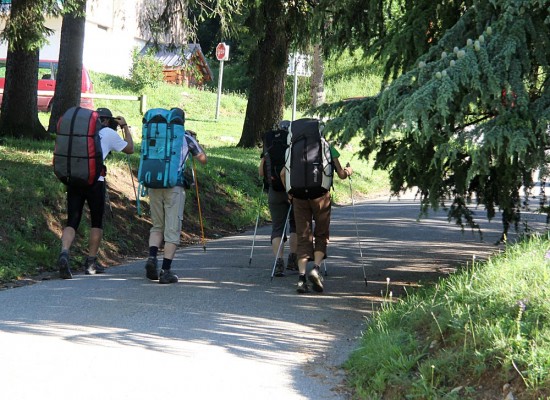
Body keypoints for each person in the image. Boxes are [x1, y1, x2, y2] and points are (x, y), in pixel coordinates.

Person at [58, 107, 134, 279]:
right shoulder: (108, 133)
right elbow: (130, 148)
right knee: (96, 223)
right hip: (95, 183)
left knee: (72, 221)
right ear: (106, 121)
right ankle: (91, 263)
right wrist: (125, 127)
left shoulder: (80, 131)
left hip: (75, 180)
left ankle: (64, 253)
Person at [280, 143, 352, 294]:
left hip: (299, 197)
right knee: (321, 233)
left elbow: (282, 174)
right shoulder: (328, 147)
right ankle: (316, 269)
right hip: (321, 196)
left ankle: (301, 278)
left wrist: (289, 193)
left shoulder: (293, 148)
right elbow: (340, 174)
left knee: (303, 235)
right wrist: (348, 171)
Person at [144, 129, 207, 284]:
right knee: (172, 229)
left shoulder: (157, 132)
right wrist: (193, 140)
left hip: (154, 184)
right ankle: (166, 271)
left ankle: (152, 257)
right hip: (174, 187)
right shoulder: (186, 138)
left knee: (157, 226)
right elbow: (203, 159)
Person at [258, 121, 298, 276]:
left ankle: (278, 262)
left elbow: (261, 172)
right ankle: (293, 260)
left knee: (277, 228)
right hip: (293, 191)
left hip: (274, 191)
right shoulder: (293, 146)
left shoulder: (270, 146)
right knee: (295, 225)